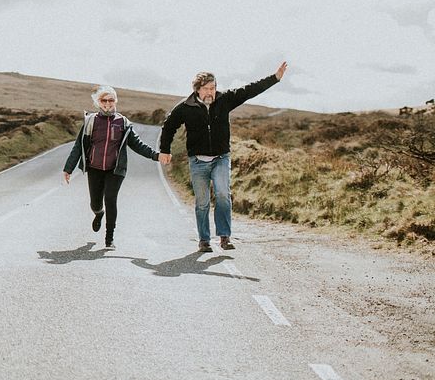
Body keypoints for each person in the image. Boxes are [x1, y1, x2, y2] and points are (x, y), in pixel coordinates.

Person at [158, 62, 288, 253]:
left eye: (213, 87)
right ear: (197, 90)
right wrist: (164, 150)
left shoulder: (224, 99)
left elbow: (249, 90)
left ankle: (224, 237)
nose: (211, 92)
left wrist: (275, 78)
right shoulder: (185, 107)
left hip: (220, 158)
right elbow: (168, 127)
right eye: (207, 89)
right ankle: (204, 240)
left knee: (222, 195)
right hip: (198, 161)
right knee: (202, 202)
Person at [63, 85, 161, 248]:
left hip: (115, 169)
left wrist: (156, 155)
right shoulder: (91, 121)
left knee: (110, 198)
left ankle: (109, 238)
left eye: (111, 100)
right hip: (94, 168)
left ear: (116, 101)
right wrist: (68, 169)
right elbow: (78, 146)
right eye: (104, 100)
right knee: (95, 203)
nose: (108, 103)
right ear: (98, 102)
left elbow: (137, 145)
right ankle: (99, 213)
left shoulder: (123, 123)